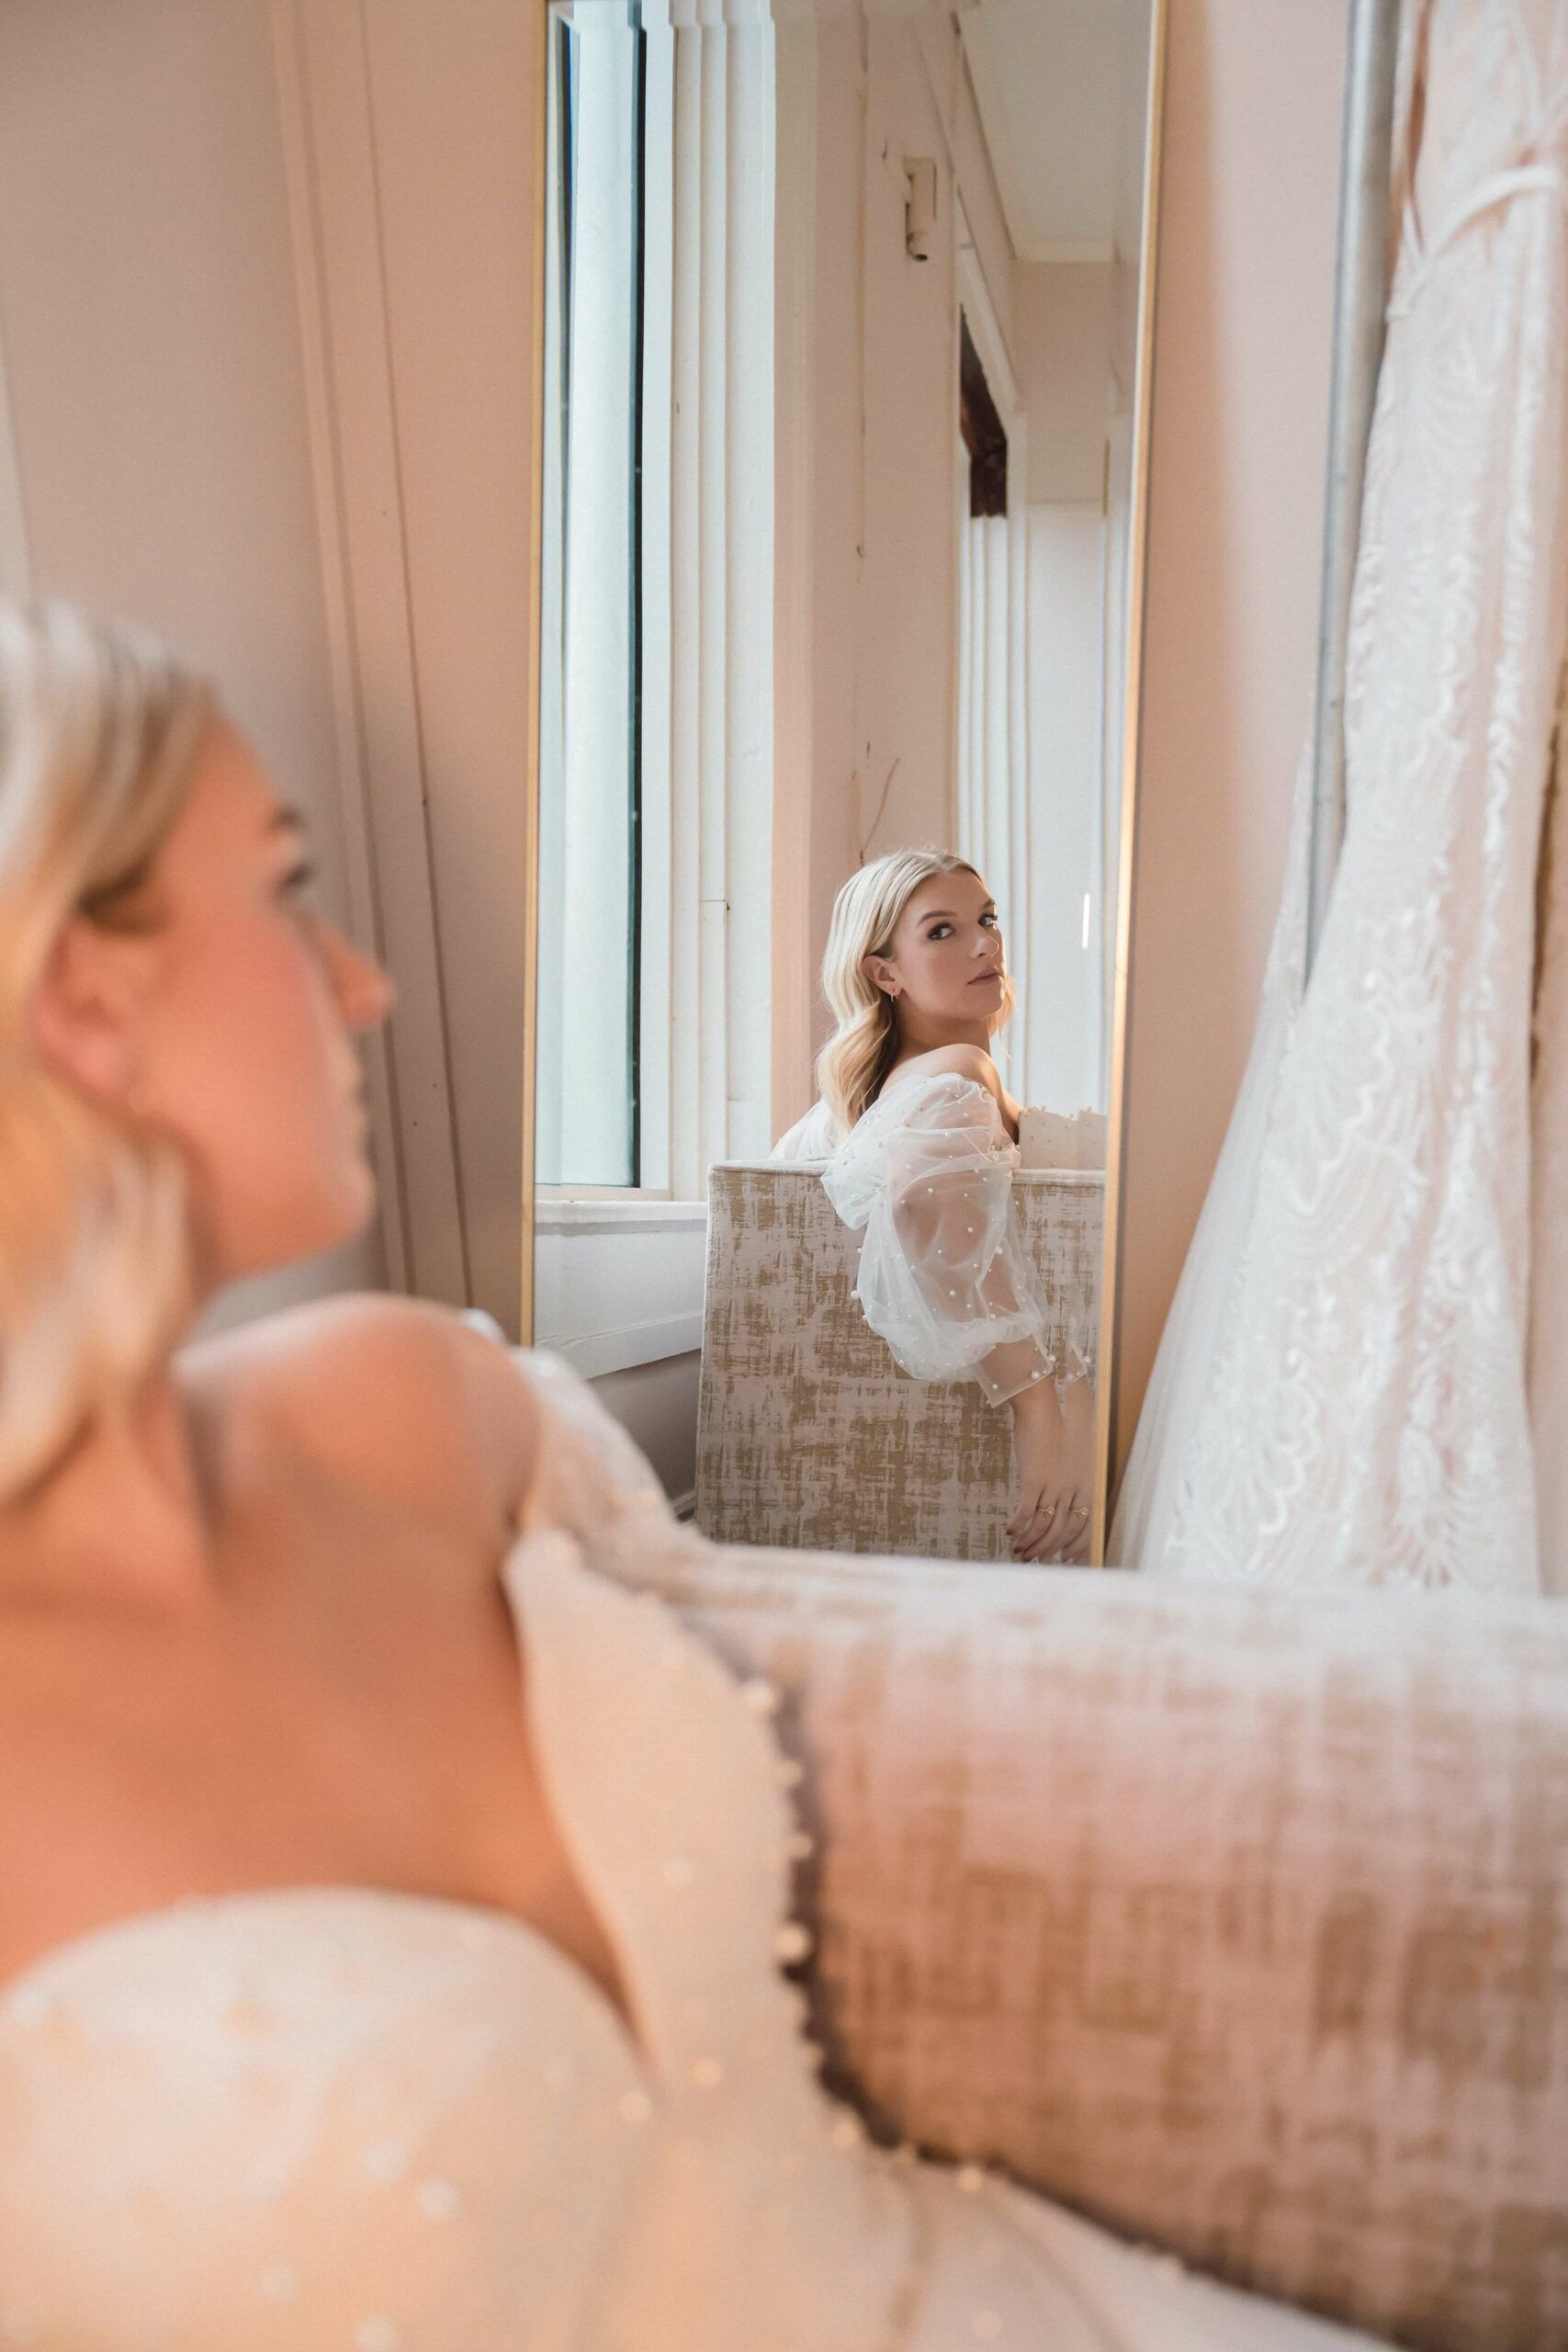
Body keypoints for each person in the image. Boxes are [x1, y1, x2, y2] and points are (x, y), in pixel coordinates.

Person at [0, 605, 1387, 2350]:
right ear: (87, 1001)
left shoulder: (420, 1402)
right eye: (284, 893)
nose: (364, 983)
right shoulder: (935, 1113)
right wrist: (1043, 1397)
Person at [776, 851, 1092, 1564]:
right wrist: (1039, 1403)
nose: (985, 942)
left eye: (985, 919)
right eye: (941, 932)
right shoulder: (953, 1071)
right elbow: (919, 1193)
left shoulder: (901, 1080)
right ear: (883, 972)